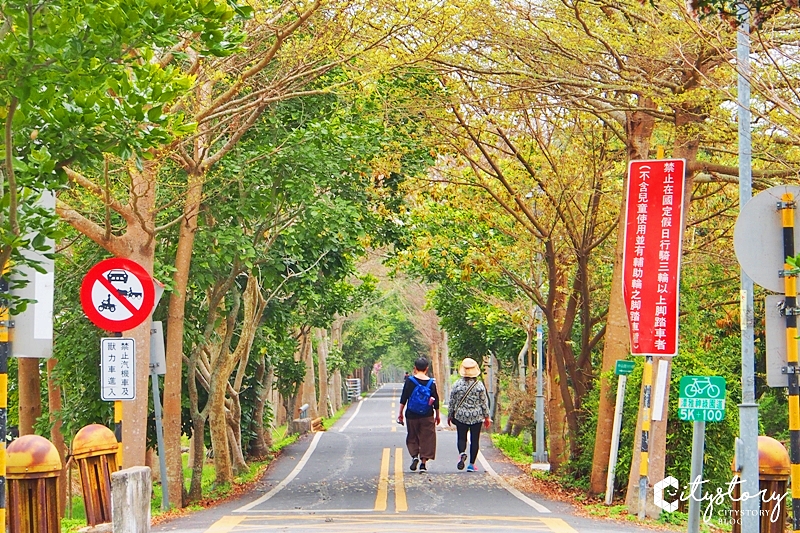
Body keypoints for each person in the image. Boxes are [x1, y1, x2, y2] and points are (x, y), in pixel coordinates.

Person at [448, 357, 491, 472]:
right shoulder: (479, 385)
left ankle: (462, 453)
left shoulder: (457, 384)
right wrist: (487, 417)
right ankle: (471, 464)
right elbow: (483, 403)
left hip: (461, 416)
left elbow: (452, 401)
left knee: (461, 437)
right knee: (474, 440)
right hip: (476, 417)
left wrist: (449, 415)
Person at [397, 357, 440, 472]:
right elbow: (436, 400)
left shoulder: (410, 381)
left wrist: (400, 413)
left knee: (412, 436)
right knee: (427, 437)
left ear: (415, 368)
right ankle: (423, 463)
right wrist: (438, 415)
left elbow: (404, 398)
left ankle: (414, 456)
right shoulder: (431, 383)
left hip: (412, 414)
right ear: (427, 368)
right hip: (427, 414)